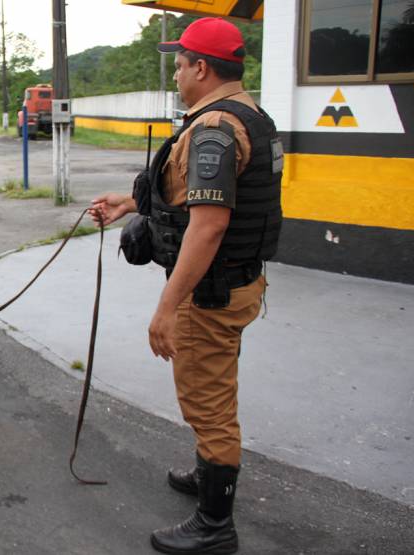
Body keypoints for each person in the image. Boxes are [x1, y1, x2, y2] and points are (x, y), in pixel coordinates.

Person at [89, 17, 283, 555]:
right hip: (237, 284)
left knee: (207, 402)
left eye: (179, 65)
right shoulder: (249, 114)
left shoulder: (214, 129)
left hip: (209, 294)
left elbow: (209, 225)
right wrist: (129, 202)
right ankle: (208, 474)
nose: (175, 74)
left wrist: (167, 306)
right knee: (214, 388)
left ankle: (215, 525)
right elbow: (187, 195)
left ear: (201, 68)